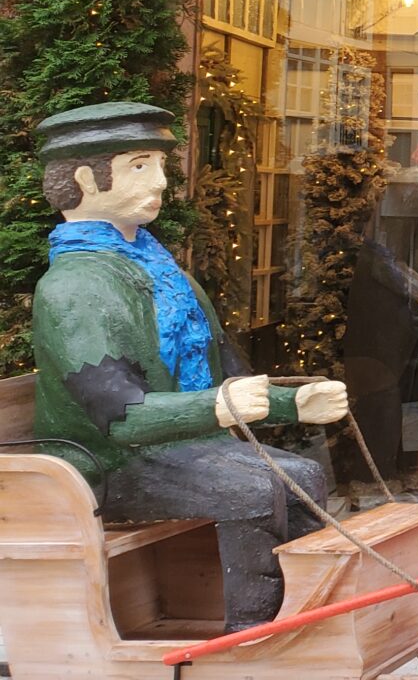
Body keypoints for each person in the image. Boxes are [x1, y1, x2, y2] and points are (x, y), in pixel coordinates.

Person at [28, 101, 348, 632]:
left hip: (182, 447)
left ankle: (305, 621)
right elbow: (121, 417)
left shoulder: (164, 273)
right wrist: (218, 407)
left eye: (159, 164)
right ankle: (250, 639)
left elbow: (227, 376)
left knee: (302, 473)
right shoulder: (75, 287)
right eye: (139, 165)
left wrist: (294, 402)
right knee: (250, 489)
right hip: (106, 465)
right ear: (84, 179)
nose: (160, 180)